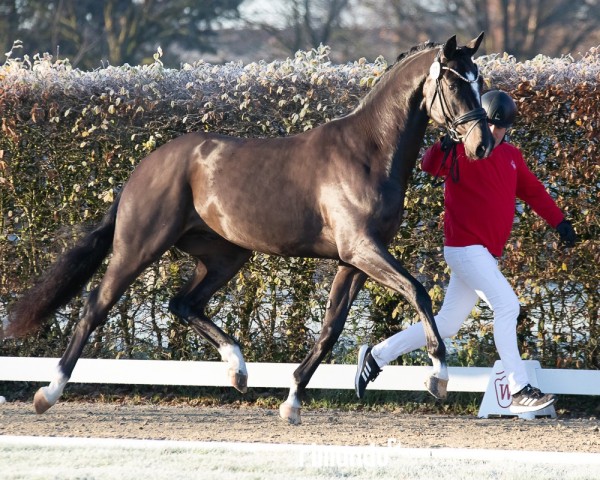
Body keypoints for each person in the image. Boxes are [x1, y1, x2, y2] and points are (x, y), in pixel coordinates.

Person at [355, 90, 576, 413]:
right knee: (507, 307)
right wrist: (442, 145)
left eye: (502, 127)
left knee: (445, 324)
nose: (497, 133)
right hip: (465, 249)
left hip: (482, 254)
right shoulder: (461, 152)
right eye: (492, 125)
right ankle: (518, 389)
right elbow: (429, 166)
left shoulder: (512, 156)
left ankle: (377, 355)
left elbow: (534, 192)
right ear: (480, 122)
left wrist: (559, 222)